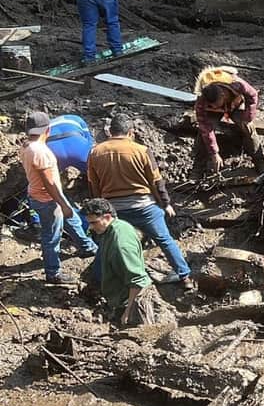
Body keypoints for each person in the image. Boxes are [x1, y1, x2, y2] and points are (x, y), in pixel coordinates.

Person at [87, 113, 193, 290]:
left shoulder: (95, 152)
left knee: (107, 244)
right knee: (165, 240)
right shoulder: (141, 150)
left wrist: (100, 211)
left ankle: (96, 283)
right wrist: (165, 203)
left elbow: (93, 185)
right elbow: (156, 181)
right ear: (131, 132)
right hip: (145, 208)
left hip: (114, 211)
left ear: (110, 132)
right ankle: (185, 277)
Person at [21, 111, 98, 284]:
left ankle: (87, 247)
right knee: (51, 236)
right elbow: (49, 183)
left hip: (40, 195)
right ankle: (53, 273)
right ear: (47, 130)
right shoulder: (41, 152)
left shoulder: (27, 146)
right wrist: (61, 203)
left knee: (72, 221)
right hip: (48, 198)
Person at [81, 198, 155, 327]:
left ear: (108, 217)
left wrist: (128, 311)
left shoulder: (121, 245)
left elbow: (138, 280)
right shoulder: (116, 227)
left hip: (131, 302)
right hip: (120, 298)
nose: (91, 227)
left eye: (94, 223)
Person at [193, 66, 264, 174]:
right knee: (202, 133)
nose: (214, 107)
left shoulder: (236, 84)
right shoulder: (202, 101)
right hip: (215, 112)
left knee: (248, 127)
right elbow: (205, 128)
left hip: (235, 104)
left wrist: (248, 117)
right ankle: (197, 170)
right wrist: (214, 153)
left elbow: (253, 94)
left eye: (215, 104)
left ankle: (260, 163)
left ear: (222, 95)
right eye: (211, 105)